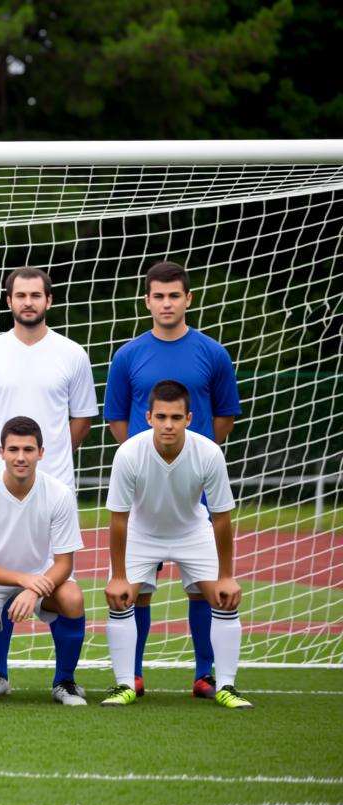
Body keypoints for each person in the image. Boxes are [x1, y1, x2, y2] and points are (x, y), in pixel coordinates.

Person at [103, 260, 241, 699]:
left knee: (205, 590)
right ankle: (133, 676)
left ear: (188, 299)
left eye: (174, 295)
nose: (166, 303)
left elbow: (223, 416)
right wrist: (147, 461)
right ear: (147, 301)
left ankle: (206, 674)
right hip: (144, 490)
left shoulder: (212, 352)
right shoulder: (128, 355)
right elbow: (117, 418)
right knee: (135, 591)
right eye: (158, 296)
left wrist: (190, 458)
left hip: (192, 487)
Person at [0, 266, 96, 697]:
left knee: (69, 593)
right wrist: (11, 460)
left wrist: (46, 461)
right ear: (9, 301)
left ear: (49, 301)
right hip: (1, 486)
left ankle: (65, 682)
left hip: (52, 485)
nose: (28, 302)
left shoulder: (72, 353)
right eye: (20, 295)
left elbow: (82, 419)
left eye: (36, 295)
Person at [101, 380, 252, 709]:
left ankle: (224, 684)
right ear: (148, 417)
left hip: (192, 531)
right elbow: (119, 519)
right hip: (142, 532)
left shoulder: (209, 453)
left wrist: (227, 574)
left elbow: (223, 518)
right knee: (122, 598)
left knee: (223, 598)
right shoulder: (128, 453)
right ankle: (126, 683)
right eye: (161, 416)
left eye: (175, 417)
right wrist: (118, 575)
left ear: (189, 418)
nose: (168, 424)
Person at [0, 416, 88, 705]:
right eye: (14, 449)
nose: (21, 457)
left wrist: (33, 589)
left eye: (28, 450)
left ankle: (65, 682)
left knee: (72, 597)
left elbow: (64, 563)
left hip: (41, 576)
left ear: (41, 453)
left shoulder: (59, 494)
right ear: (1, 452)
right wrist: (23, 581)